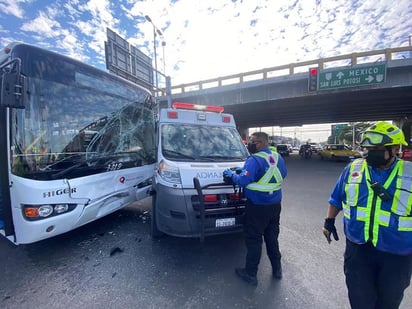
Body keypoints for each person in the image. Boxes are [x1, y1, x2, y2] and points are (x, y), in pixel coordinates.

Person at [322, 121, 412, 309]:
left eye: (377, 148)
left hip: (397, 252)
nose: (371, 152)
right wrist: (328, 221)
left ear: (395, 148)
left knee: (388, 301)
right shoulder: (353, 169)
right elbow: (336, 197)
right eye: (368, 148)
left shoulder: (409, 173)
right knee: (359, 299)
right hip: (358, 248)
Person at [223, 132, 287, 286]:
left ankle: (250, 274)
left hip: (257, 207)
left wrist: (232, 175)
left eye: (251, 142)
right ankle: (277, 270)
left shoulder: (254, 159)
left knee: (254, 240)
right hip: (275, 206)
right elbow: (282, 174)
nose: (249, 144)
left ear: (259, 144)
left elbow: (244, 181)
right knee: (272, 238)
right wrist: (246, 170)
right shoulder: (277, 157)